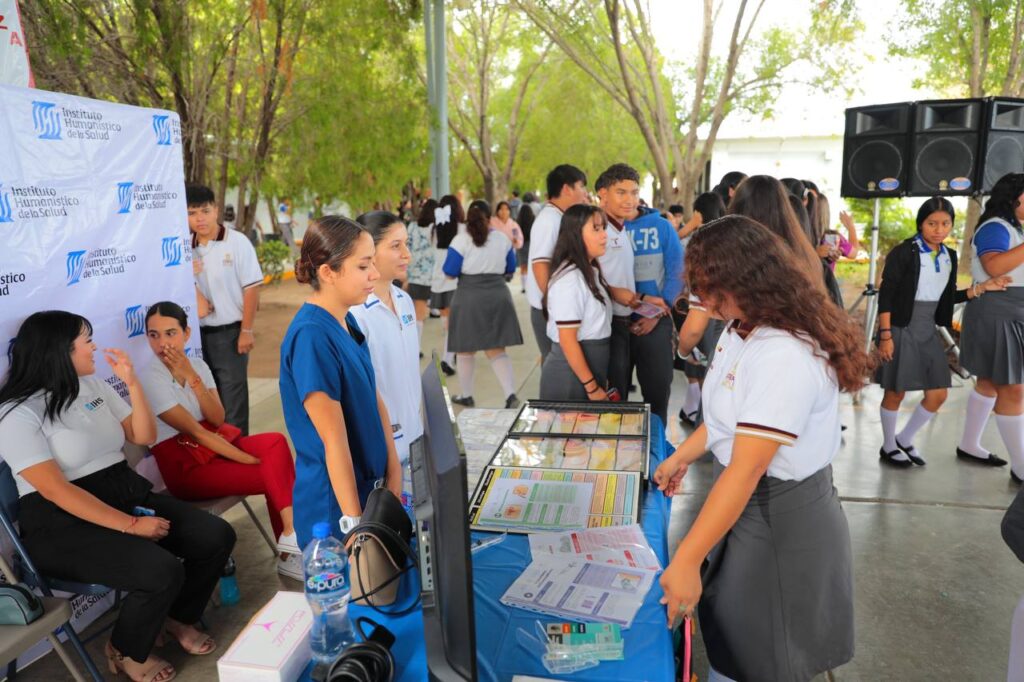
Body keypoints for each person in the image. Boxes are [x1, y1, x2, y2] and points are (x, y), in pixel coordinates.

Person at [654, 215, 865, 682]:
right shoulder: (740, 327)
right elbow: (729, 418)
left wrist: (686, 558)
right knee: (738, 637)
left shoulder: (784, 353)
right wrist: (681, 456)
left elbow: (747, 468)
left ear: (748, 281)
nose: (702, 300)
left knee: (766, 652)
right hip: (751, 505)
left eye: (711, 289)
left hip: (781, 516)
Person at [0, 311, 236, 682]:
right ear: (60, 350)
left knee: (215, 535)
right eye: (86, 341)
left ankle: (177, 617)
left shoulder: (91, 385)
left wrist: (132, 383)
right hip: (59, 523)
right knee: (160, 570)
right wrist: (130, 525)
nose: (94, 347)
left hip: (121, 493)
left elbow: (143, 436)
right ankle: (125, 649)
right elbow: (54, 489)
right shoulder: (16, 413)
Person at [140, 301, 301, 579]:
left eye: (170, 333)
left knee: (275, 442)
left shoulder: (198, 365)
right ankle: (291, 544)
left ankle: (290, 538)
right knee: (274, 470)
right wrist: (253, 460)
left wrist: (192, 377)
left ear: (186, 333)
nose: (162, 343)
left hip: (214, 448)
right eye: (154, 335)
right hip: (186, 466)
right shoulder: (151, 377)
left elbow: (216, 418)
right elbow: (196, 432)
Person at [279, 216, 402, 547]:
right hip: (335, 511)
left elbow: (373, 397)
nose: (375, 275)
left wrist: (394, 473)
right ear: (328, 272)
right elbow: (333, 441)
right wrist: (356, 525)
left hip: (368, 493)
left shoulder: (345, 319)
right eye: (363, 267)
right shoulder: (311, 337)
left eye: (373, 263)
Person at [875, 198, 1010, 467]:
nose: (939, 229)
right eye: (932, 223)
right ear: (921, 223)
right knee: (895, 392)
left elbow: (947, 298)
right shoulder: (905, 252)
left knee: (938, 394)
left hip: (928, 328)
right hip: (901, 327)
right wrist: (886, 335)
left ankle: (904, 437)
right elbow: (887, 295)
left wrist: (983, 287)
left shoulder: (949, 255)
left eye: (945, 223)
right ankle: (888, 445)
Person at [596, 163, 681, 425]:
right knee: (614, 401)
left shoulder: (662, 227)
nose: (629, 199)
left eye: (634, 192)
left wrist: (657, 314)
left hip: (655, 323)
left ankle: (656, 459)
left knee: (656, 397)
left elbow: (678, 271)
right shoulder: (594, 228)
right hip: (611, 325)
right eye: (621, 192)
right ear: (603, 194)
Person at [350, 211, 422, 508]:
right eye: (396, 246)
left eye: (406, 244)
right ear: (369, 251)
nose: (406, 254)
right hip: (382, 452)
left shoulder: (404, 300)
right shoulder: (355, 313)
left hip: (414, 443)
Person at [960, 173, 1024, 482]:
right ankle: (1021, 467)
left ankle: (968, 444)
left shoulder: (1015, 228)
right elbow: (994, 266)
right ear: (1015, 199)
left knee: (988, 381)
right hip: (997, 311)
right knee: (1012, 388)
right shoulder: (995, 227)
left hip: (1012, 310)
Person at [540, 205, 641, 400]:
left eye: (604, 228)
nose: (605, 236)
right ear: (575, 234)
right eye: (596, 229)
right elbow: (568, 340)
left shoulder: (589, 270)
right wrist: (592, 388)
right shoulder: (569, 280)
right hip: (570, 377)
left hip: (587, 370)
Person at [187, 184, 263, 435]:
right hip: (196, 338)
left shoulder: (237, 242)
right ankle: (220, 462)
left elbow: (251, 288)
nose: (200, 219)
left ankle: (241, 456)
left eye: (205, 211)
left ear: (216, 210)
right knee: (208, 401)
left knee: (233, 403)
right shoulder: (183, 248)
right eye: (192, 213)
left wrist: (247, 330)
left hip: (230, 335)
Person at [443, 201, 523, 408]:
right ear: (491, 217)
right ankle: (510, 395)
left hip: (468, 296)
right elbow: (510, 268)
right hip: (498, 294)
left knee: (464, 349)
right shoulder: (502, 239)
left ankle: (467, 395)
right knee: (497, 349)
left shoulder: (461, 240)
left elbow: (450, 272)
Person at [525, 165, 590, 359]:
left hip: (555, 308)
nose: (585, 193)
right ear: (567, 189)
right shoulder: (548, 220)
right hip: (549, 310)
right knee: (558, 367)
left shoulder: (559, 217)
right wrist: (553, 304)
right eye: (582, 187)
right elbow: (540, 265)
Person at [430, 195, 466, 375]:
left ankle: (450, 355)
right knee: (455, 324)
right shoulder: (462, 229)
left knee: (447, 323)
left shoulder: (433, 229)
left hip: (438, 280)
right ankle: (448, 358)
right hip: (455, 281)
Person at [406, 198, 438, 338]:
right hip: (429, 276)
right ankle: (415, 348)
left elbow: (407, 248)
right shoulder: (437, 228)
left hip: (413, 274)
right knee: (420, 314)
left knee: (412, 312)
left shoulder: (412, 226)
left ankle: (413, 346)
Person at [517, 203, 536, 293]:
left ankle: (524, 287)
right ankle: (530, 286)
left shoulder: (518, 221)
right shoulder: (533, 220)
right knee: (530, 266)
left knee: (523, 266)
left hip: (521, 244)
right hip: (531, 244)